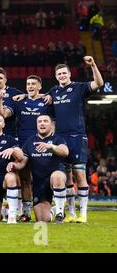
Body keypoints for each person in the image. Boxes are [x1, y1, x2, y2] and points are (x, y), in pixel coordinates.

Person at [47, 57, 104, 223]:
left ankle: (83, 214)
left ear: (69, 74)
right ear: (56, 76)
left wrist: (93, 65)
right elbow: (41, 97)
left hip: (77, 137)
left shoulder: (79, 88)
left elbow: (99, 83)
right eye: (59, 74)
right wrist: (23, 97)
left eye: (64, 73)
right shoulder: (54, 92)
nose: (62, 75)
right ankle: (71, 213)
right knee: (67, 177)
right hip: (60, 139)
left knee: (79, 175)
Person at [0, 75, 53, 222]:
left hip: (41, 145)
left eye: (33, 84)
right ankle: (26, 212)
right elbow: (3, 114)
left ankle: (52, 207)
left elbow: (52, 122)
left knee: (43, 179)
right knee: (25, 179)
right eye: (28, 84)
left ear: (39, 86)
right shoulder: (20, 101)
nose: (30, 86)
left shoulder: (46, 101)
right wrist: (0, 100)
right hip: (23, 145)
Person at [7, 115, 69, 222]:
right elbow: (23, 163)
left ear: (51, 125)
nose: (42, 123)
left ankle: (59, 212)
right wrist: (14, 165)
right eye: (39, 121)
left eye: (45, 121)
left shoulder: (58, 139)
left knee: (57, 176)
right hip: (39, 184)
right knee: (42, 220)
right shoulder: (30, 141)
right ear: (37, 125)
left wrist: (51, 147)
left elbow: (65, 151)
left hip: (55, 180)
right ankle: (54, 210)